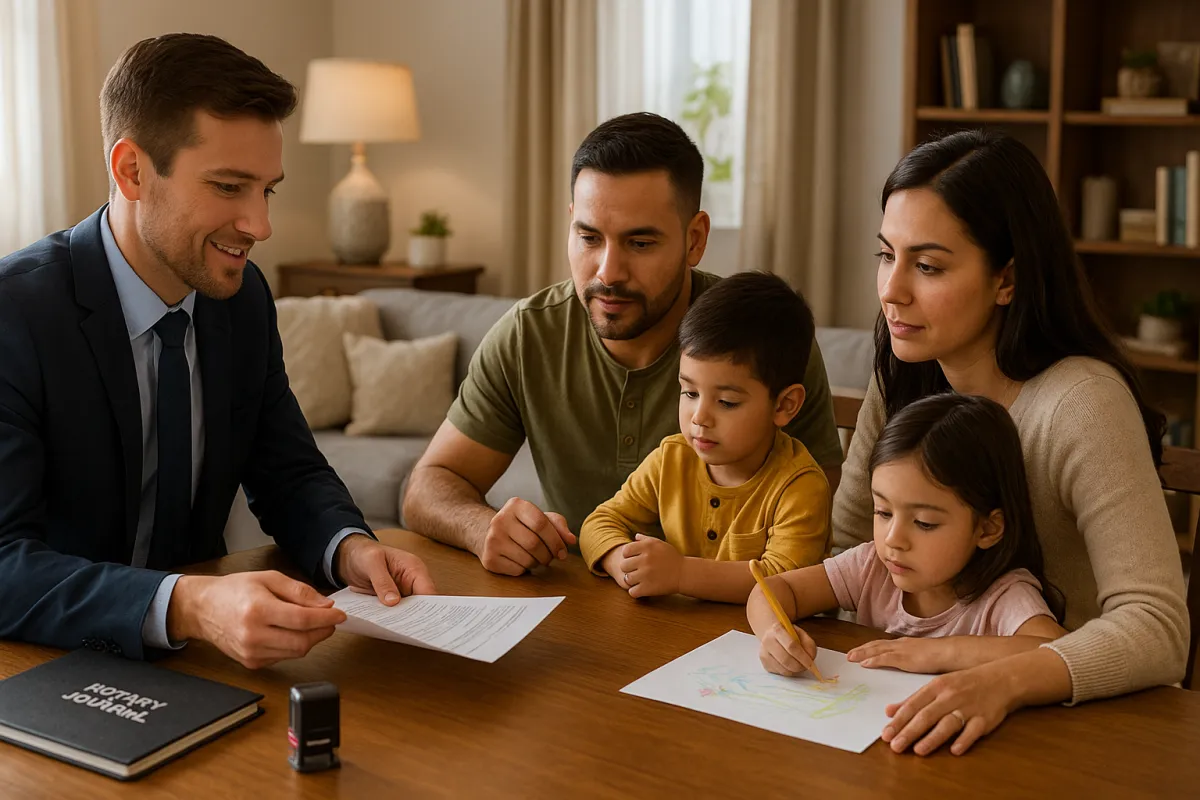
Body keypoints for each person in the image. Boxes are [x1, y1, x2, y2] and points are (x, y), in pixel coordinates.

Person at [0, 34, 434, 669]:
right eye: (229, 187)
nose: (260, 226)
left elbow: (287, 470)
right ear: (132, 171)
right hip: (46, 666)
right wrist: (190, 605)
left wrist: (348, 548)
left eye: (268, 191)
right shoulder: (17, 313)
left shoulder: (242, 297)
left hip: (200, 665)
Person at [832, 129, 1188, 756]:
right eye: (887, 255)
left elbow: (1157, 628)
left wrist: (996, 675)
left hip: (1062, 730)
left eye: (929, 265)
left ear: (1007, 279)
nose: (892, 290)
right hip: (902, 707)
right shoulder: (906, 370)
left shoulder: (1084, 403)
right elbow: (847, 544)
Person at [403, 113, 843, 576]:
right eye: (589, 237)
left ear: (694, 240)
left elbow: (809, 528)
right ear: (570, 224)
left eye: (639, 243)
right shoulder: (526, 336)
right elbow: (428, 486)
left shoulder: (762, 337)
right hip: (582, 610)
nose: (608, 272)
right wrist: (482, 528)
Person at [751, 395, 1066, 729]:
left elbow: (1059, 650)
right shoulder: (872, 565)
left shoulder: (1004, 595)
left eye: (925, 523)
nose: (893, 539)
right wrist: (774, 634)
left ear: (987, 528)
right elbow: (774, 589)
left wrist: (941, 653)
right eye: (883, 512)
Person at [580, 272, 831, 603]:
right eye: (689, 392)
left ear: (784, 405)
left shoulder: (800, 486)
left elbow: (783, 581)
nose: (699, 417)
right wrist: (622, 560)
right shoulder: (671, 458)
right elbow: (600, 521)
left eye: (726, 402)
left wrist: (681, 573)